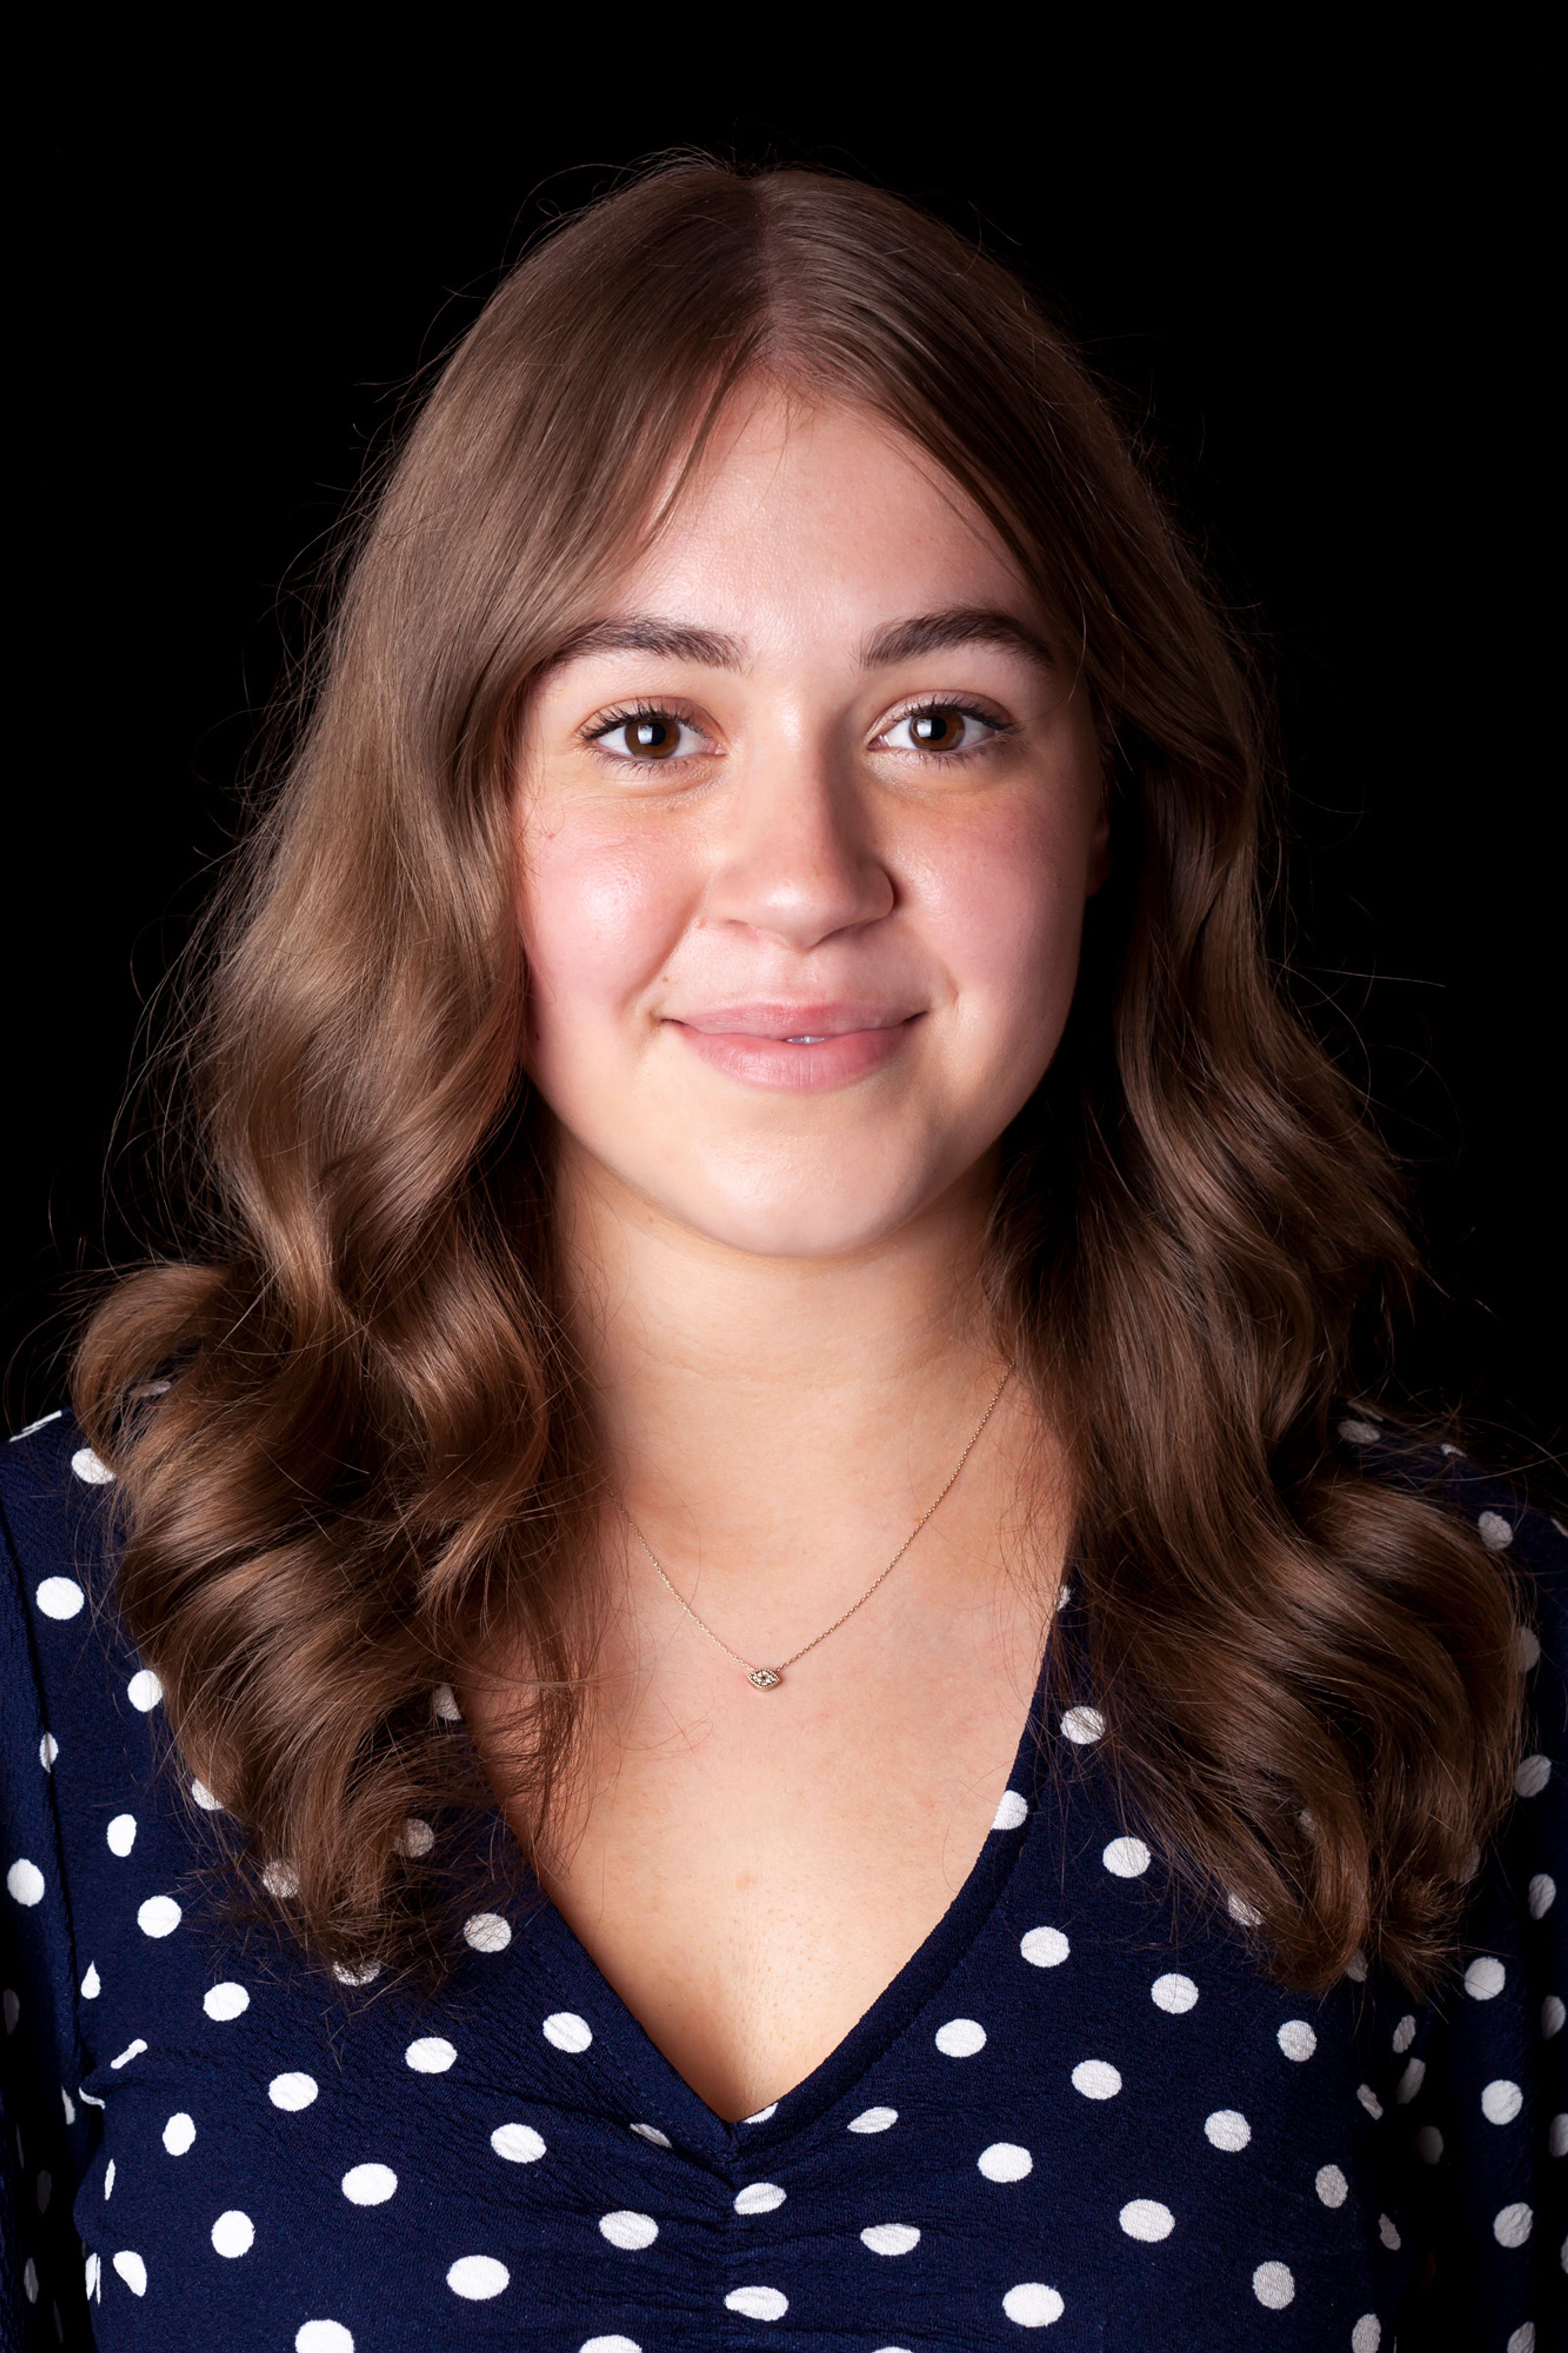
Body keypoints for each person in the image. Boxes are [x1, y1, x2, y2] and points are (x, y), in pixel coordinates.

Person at [1, 159, 1561, 2353]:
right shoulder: (79, 1625)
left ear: (1109, 803)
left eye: (941, 723)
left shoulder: (1440, 1631)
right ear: (464, 809)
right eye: (651, 728)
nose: (802, 873)